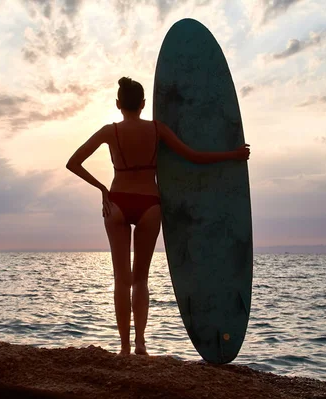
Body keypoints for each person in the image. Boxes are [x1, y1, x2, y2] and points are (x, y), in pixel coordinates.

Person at [66, 77, 250, 356]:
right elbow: (193, 156)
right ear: (142, 104)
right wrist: (232, 155)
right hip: (150, 205)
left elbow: (73, 162)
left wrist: (102, 188)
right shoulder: (157, 129)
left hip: (116, 202)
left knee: (121, 280)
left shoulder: (109, 131)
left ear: (118, 104)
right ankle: (141, 343)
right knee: (140, 279)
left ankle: (124, 348)